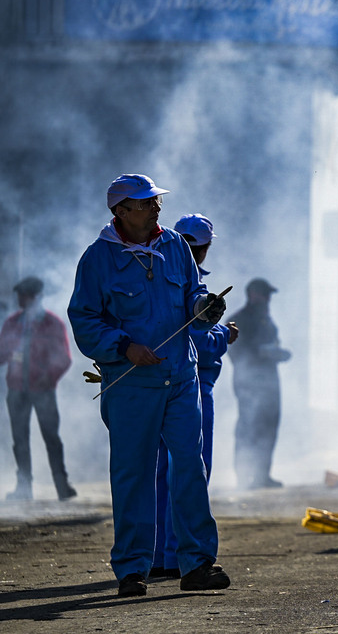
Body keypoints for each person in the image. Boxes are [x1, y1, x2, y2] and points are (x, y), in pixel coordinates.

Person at [67, 174, 230, 597]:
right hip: (131, 383)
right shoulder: (97, 259)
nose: (156, 207)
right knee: (132, 474)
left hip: (181, 376)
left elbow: (195, 294)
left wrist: (205, 307)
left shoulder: (176, 245)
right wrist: (123, 346)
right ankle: (132, 570)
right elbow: (84, 319)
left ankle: (197, 564)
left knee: (190, 467)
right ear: (120, 211)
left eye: (156, 200)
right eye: (145, 202)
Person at [151, 214, 239, 577]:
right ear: (203, 248)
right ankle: (177, 555)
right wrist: (224, 335)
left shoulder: (154, 273)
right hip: (192, 387)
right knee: (190, 470)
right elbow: (199, 343)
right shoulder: (193, 286)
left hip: (154, 384)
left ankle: (155, 555)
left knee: (156, 472)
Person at [0, 276, 75, 501]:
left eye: (23, 294)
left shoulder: (52, 324)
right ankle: (24, 488)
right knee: (20, 439)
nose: (20, 298)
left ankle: (62, 486)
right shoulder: (12, 322)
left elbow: (64, 358)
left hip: (43, 389)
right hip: (16, 389)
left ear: (36, 296)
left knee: (51, 437)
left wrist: (49, 377)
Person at [229, 278, 291, 490]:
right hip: (249, 384)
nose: (268, 300)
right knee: (249, 427)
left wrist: (279, 354)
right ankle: (243, 477)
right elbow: (234, 350)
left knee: (269, 428)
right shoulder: (238, 320)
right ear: (254, 294)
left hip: (270, 383)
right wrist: (259, 354)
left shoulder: (267, 320)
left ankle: (262, 475)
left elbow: (274, 344)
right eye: (265, 295)